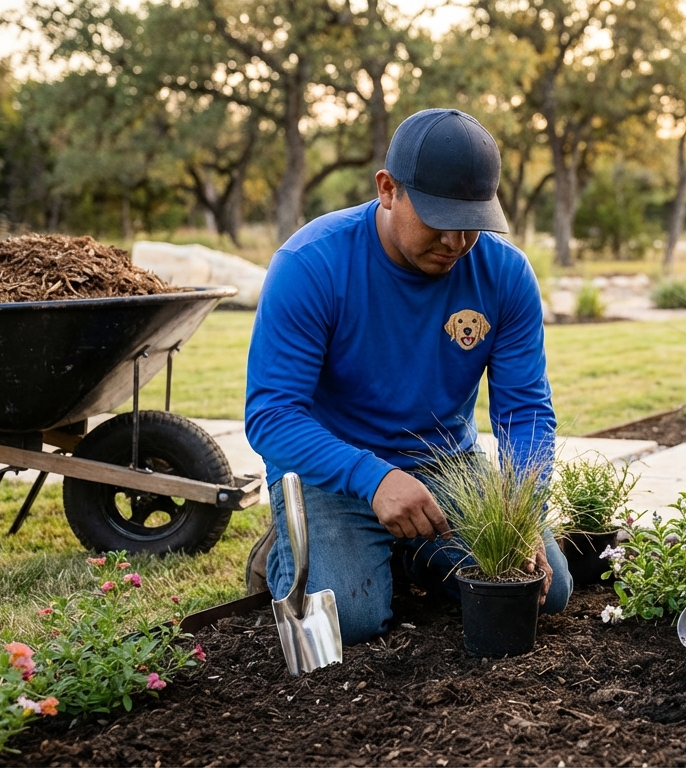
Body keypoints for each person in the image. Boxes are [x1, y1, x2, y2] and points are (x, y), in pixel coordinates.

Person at [243, 108, 571, 645]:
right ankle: (291, 544)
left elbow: (525, 411)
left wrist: (524, 511)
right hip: (333, 467)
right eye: (440, 218)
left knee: (542, 591)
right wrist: (374, 479)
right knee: (350, 618)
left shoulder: (505, 273)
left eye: (473, 221)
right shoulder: (311, 263)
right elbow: (272, 417)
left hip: (445, 464)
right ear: (388, 189)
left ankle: (413, 553)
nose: (457, 240)